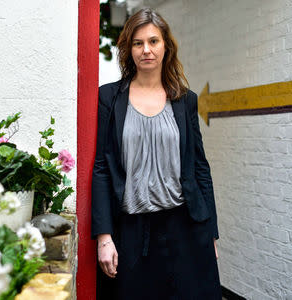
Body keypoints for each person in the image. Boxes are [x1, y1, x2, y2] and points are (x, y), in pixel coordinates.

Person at [91, 8, 221, 300]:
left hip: (186, 228)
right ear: (128, 49)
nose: (146, 50)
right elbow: (101, 167)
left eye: (153, 41)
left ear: (166, 47)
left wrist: (212, 232)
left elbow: (200, 168)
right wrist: (104, 237)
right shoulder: (109, 98)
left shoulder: (185, 100)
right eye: (138, 43)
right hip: (132, 232)